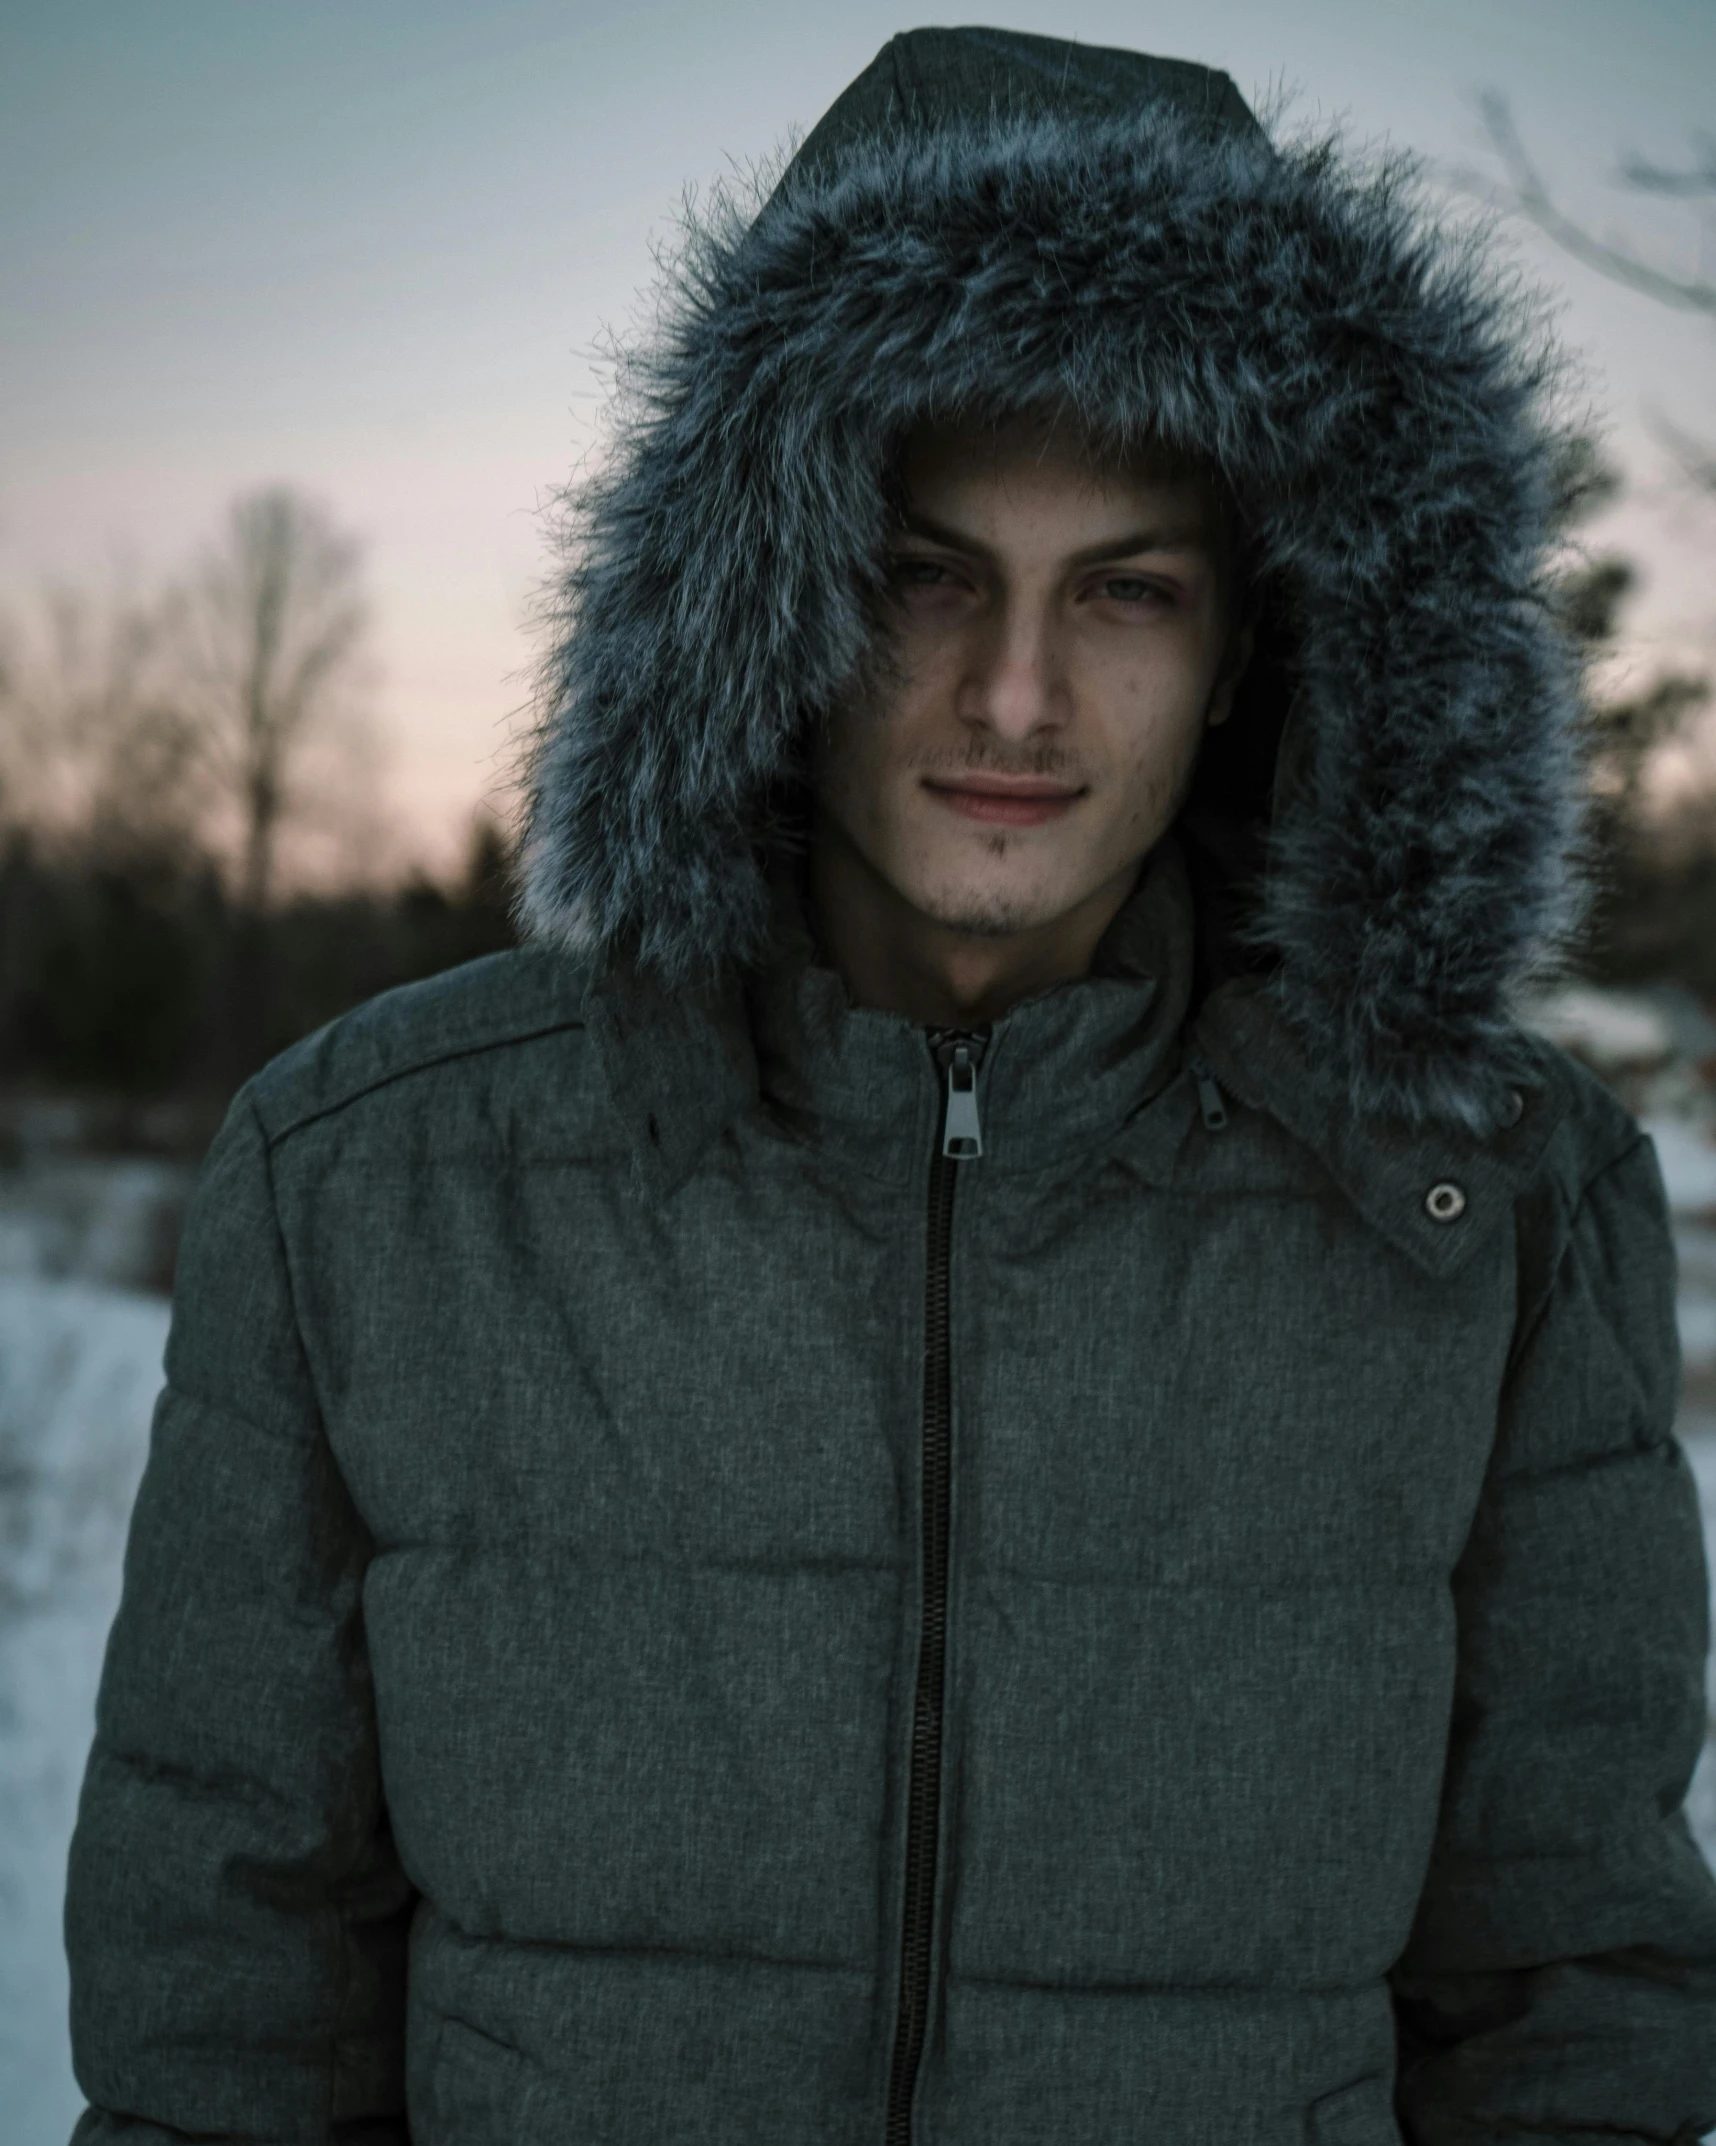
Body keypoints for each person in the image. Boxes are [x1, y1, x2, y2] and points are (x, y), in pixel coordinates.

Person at [64, 28, 1716, 2146]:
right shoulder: (370, 1182)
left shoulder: (1494, 1212)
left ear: (1252, 654)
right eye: (928, 571)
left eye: (1127, 589)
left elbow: (1576, 2014)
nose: (1015, 694)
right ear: (760, 594)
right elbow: (228, 2028)